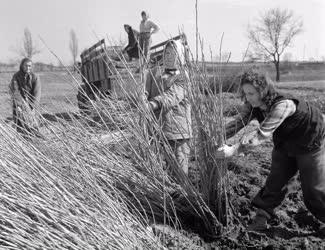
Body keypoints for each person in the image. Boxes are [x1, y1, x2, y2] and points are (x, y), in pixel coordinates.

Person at [215, 70, 325, 237]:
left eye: (251, 93)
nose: (249, 97)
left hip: (309, 141)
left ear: (263, 90)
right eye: (245, 93)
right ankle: (261, 218)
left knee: (312, 189)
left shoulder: (283, 105)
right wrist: (215, 136)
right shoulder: (253, 105)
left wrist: (233, 149)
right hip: (285, 141)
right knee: (276, 179)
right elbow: (238, 123)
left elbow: (261, 135)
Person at [143, 39, 192, 176]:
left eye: (173, 53)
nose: (168, 56)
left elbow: (171, 97)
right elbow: (145, 89)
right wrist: (142, 96)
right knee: (163, 173)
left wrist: (152, 104)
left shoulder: (183, 76)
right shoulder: (155, 73)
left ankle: (183, 195)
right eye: (167, 53)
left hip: (178, 133)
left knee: (179, 172)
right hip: (159, 130)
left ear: (180, 55)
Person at [9, 58, 42, 137]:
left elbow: (37, 93)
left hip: (31, 105)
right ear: (22, 66)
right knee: (20, 127)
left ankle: (34, 140)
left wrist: (32, 107)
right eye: (26, 66)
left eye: (29, 66)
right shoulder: (16, 76)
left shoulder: (35, 77)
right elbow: (15, 91)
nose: (28, 68)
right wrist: (19, 105)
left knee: (33, 126)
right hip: (19, 104)